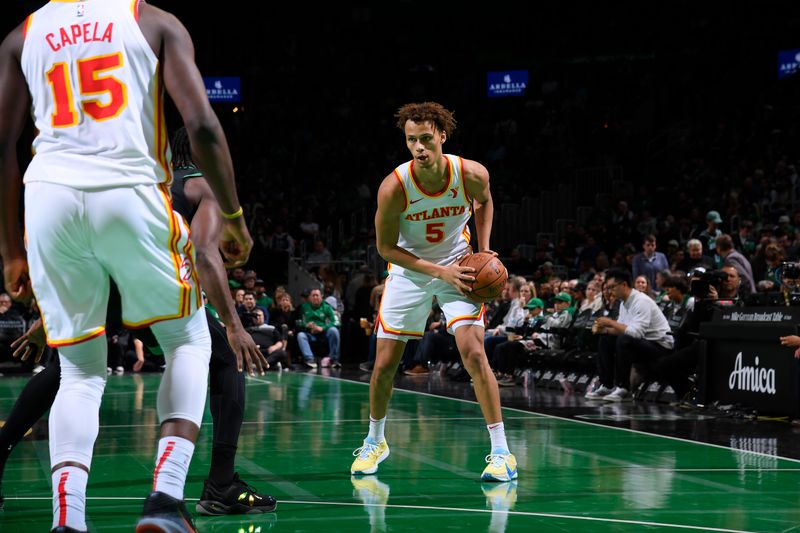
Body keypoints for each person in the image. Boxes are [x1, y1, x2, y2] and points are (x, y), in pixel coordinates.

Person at [0, 3, 254, 532]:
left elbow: (2, 145)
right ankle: (165, 500)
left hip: (48, 200)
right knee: (189, 341)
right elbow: (202, 124)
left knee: (77, 371)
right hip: (128, 192)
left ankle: (67, 520)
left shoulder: (21, 36)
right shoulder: (153, 21)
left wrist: (11, 251)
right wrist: (232, 213)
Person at [350, 102, 517, 482]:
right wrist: (438, 272)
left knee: (475, 353)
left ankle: (502, 452)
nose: (419, 147)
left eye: (426, 139)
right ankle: (375, 440)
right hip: (410, 272)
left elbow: (485, 201)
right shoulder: (394, 187)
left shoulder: (470, 173)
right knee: (384, 367)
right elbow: (386, 249)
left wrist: (484, 249)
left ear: (442, 135)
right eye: (412, 140)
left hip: (459, 266)